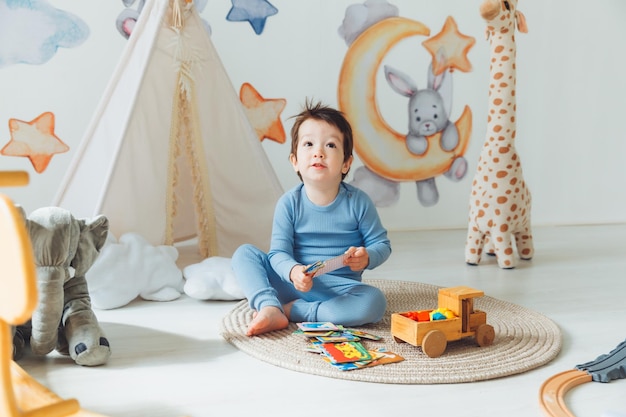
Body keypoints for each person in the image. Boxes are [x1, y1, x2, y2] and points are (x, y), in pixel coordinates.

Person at [232, 100, 391, 336]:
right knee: (244, 254)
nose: (318, 152)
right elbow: (278, 253)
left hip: (337, 289)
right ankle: (269, 305)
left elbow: (382, 245)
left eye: (330, 145)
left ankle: (294, 311)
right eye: (308, 144)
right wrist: (294, 271)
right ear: (295, 161)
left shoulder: (358, 202)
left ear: (346, 163)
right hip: (291, 282)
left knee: (374, 302)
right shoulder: (289, 203)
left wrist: (367, 257)